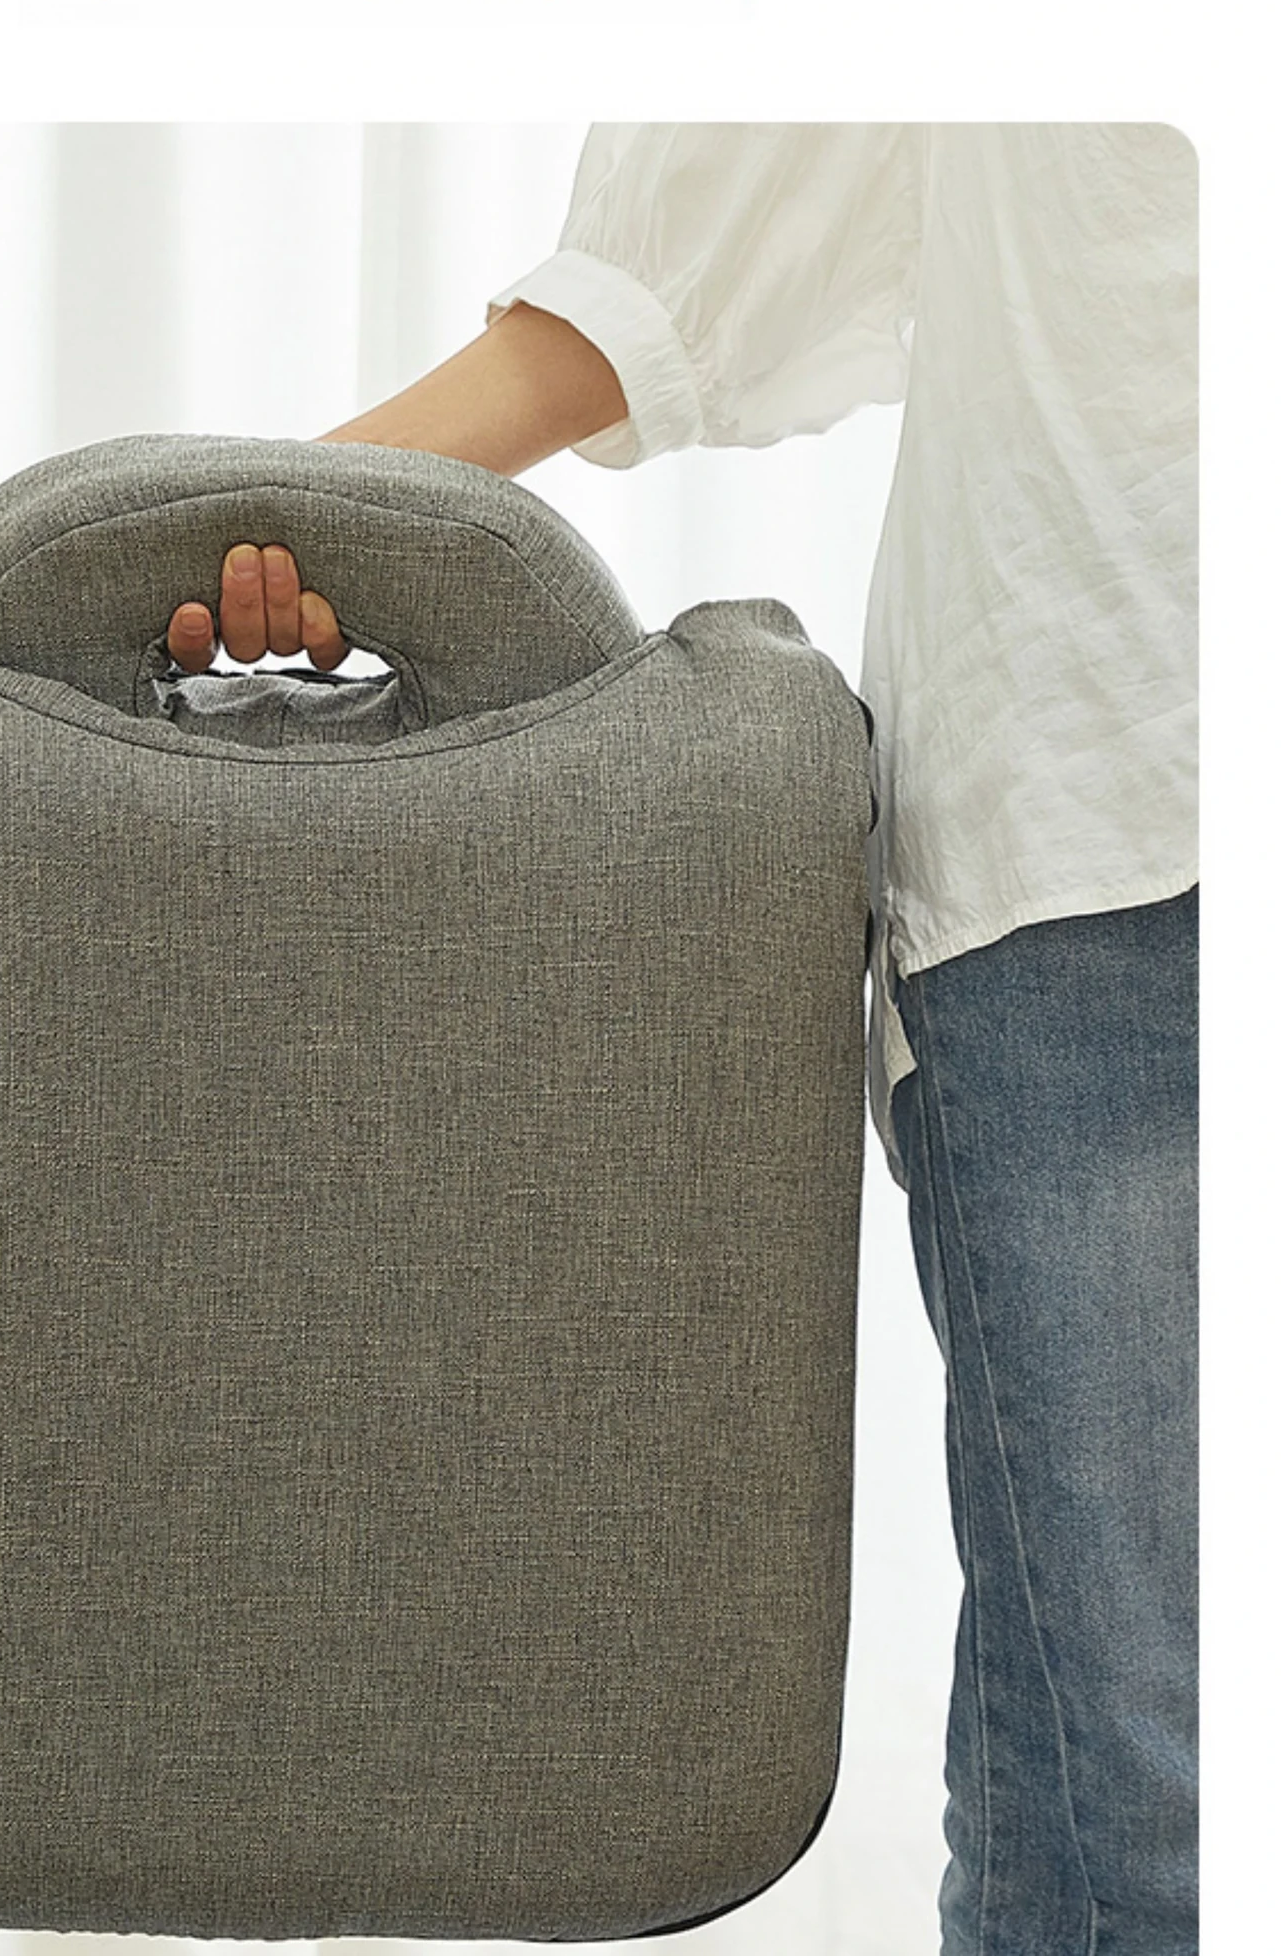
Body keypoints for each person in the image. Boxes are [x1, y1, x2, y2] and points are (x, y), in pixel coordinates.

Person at [166, 126, 1198, 1956]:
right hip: (1116, 830)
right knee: (1148, 1789)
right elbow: (662, 285)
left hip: (1107, 841)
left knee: (1096, 1766)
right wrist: (250, 537)